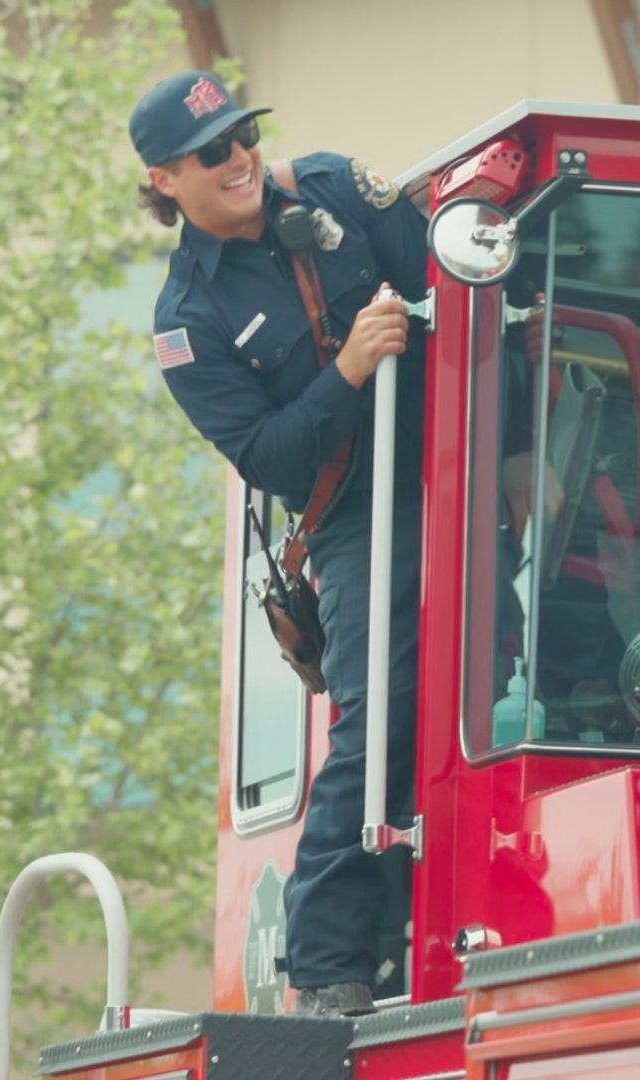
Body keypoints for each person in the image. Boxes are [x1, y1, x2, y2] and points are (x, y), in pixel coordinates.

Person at [128, 70, 424, 1018]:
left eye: (244, 135)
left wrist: (511, 459)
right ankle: (331, 968)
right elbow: (264, 457)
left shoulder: (336, 188)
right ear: (164, 178)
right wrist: (345, 372)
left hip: (464, 473)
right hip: (355, 518)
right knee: (378, 717)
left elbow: (460, 293)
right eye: (213, 151)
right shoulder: (187, 320)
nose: (240, 158)